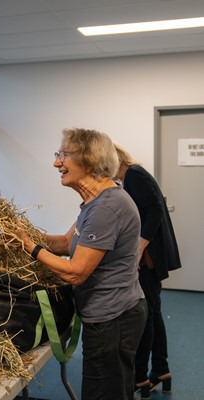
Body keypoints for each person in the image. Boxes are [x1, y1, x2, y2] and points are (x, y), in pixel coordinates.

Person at [12, 128, 147, 400]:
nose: (56, 162)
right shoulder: (96, 201)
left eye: (64, 154)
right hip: (113, 314)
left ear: (89, 160)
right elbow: (64, 242)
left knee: (104, 393)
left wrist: (30, 246)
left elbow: (76, 273)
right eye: (57, 154)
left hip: (113, 319)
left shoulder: (106, 208)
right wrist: (21, 234)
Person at [115, 144, 181, 399]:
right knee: (152, 313)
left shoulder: (134, 174)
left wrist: (140, 247)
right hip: (153, 260)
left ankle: (141, 376)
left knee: (144, 316)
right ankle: (160, 370)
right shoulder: (132, 175)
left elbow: (154, 209)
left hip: (150, 260)